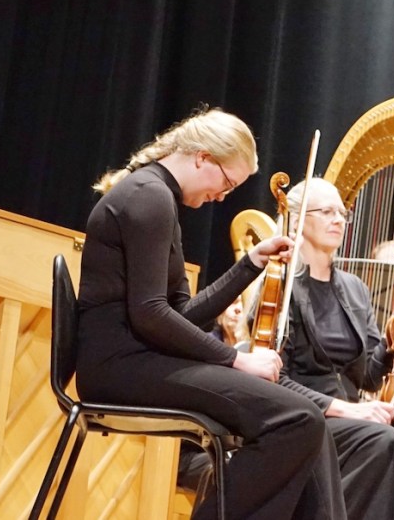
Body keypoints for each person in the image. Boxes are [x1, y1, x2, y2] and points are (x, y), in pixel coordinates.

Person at [75, 107, 346, 520]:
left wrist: (250, 262)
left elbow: (183, 314)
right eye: (227, 183)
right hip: (119, 367)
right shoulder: (149, 197)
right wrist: (239, 360)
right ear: (202, 157)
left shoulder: (158, 196)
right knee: (294, 419)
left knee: (306, 419)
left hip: (137, 360)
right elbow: (149, 314)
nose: (222, 196)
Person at [277, 177, 394, 520]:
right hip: (301, 417)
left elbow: (368, 379)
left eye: (342, 212)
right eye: (326, 211)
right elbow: (275, 379)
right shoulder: (281, 284)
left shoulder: (354, 289)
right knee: (384, 441)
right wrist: (345, 410)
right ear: (297, 220)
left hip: (350, 420)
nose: (338, 219)